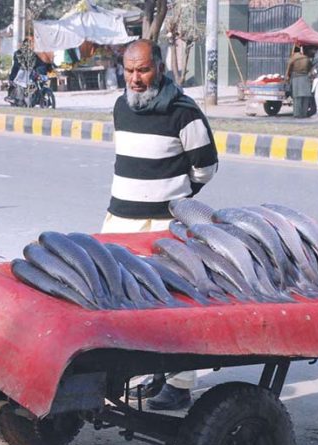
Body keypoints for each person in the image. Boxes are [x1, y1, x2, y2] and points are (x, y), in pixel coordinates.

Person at [102, 39, 219, 410]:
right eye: (130, 70)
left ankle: (180, 383)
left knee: (172, 303)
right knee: (116, 298)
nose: (135, 79)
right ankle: (146, 369)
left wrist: (175, 195)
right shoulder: (121, 106)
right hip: (119, 221)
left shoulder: (185, 113)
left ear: (160, 69)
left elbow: (206, 167)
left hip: (164, 225)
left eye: (143, 70)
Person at [6, 38, 51, 104]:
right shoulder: (18, 53)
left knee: (38, 81)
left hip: (30, 72)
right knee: (21, 83)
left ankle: (41, 98)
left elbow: (39, 63)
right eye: (27, 44)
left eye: (30, 45)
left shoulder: (33, 54)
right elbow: (17, 65)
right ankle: (16, 99)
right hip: (20, 72)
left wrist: (48, 66)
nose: (29, 46)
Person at [285, 46, 313, 118]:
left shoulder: (293, 58)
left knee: (297, 97)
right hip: (306, 78)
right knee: (305, 97)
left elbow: (288, 70)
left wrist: (287, 78)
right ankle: (304, 113)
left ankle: (297, 114)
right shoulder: (306, 58)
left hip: (296, 78)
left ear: (293, 51)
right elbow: (311, 68)